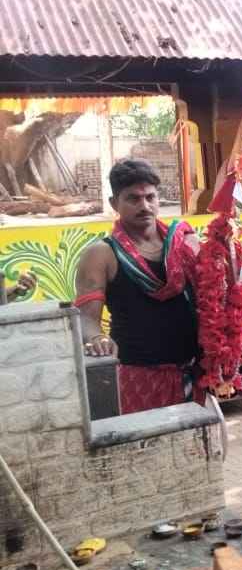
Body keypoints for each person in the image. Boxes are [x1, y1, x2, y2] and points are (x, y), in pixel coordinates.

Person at [75, 160, 202, 413]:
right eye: (133, 199)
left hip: (194, 374)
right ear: (114, 203)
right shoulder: (100, 255)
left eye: (150, 197)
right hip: (137, 377)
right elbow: (86, 318)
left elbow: (209, 299)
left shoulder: (185, 242)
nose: (144, 206)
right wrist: (97, 338)